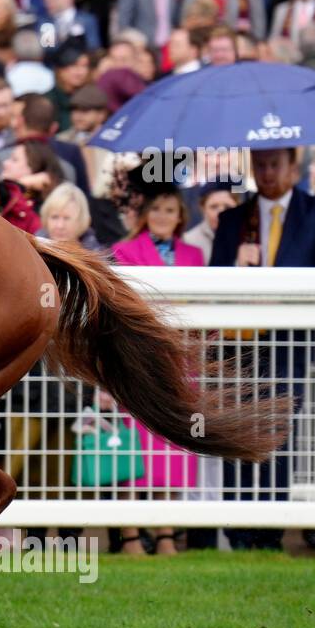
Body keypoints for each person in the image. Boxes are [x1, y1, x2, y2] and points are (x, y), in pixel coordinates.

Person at [210, 146, 315, 551]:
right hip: (239, 344)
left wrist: (278, 287)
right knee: (236, 427)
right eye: (260, 165)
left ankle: (271, 530)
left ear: (293, 167)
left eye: (275, 165)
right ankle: (238, 531)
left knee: (278, 432)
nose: (267, 172)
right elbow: (212, 279)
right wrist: (236, 264)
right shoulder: (234, 219)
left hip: (288, 342)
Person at [111, 182, 203, 556]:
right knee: (132, 449)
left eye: (171, 209)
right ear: (145, 214)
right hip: (138, 360)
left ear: (181, 216)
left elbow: (202, 308)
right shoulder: (124, 251)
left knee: (174, 445)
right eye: (157, 209)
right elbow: (127, 304)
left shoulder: (194, 254)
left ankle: (166, 533)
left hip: (181, 361)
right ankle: (131, 534)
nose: (163, 216)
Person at [181, 182, 238, 264]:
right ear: (203, 209)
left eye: (227, 207)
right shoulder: (188, 241)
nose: (221, 213)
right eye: (214, 207)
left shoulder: (247, 238)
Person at [37, 181, 100, 251]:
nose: (60, 226)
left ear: (82, 221)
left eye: (67, 218)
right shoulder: (33, 250)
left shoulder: (95, 257)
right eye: (54, 217)